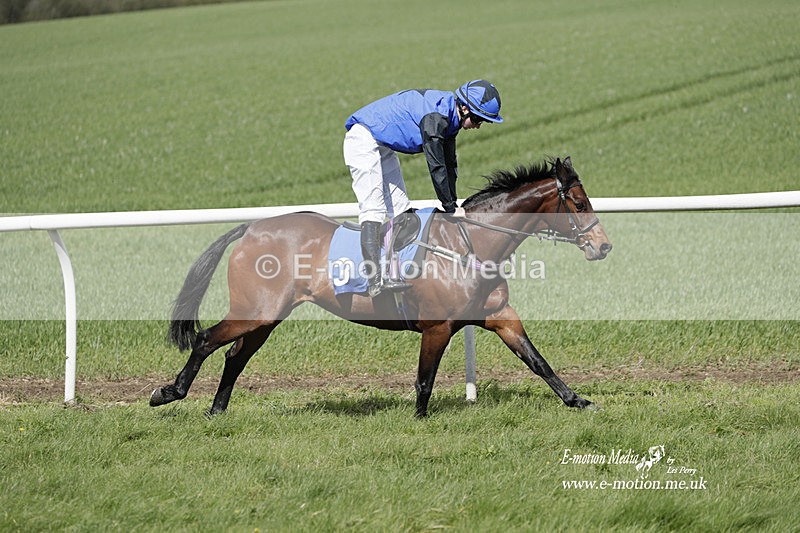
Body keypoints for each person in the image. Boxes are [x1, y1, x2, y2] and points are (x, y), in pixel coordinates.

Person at [343, 79, 504, 297]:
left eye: (483, 121)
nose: (478, 125)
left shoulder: (450, 120)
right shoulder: (436, 119)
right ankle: (374, 280)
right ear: (464, 108)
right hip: (363, 140)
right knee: (374, 208)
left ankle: (394, 271)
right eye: (477, 118)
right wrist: (448, 206)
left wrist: (453, 205)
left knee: (401, 212)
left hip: (382, 146)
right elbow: (435, 165)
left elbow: (449, 166)